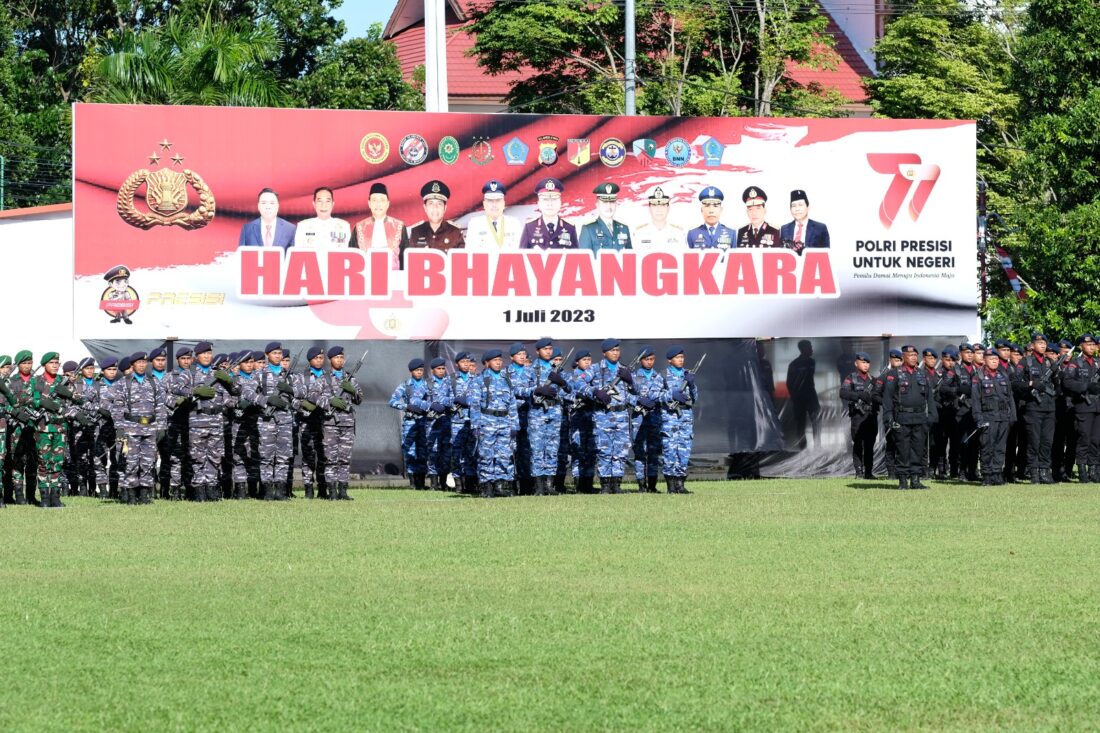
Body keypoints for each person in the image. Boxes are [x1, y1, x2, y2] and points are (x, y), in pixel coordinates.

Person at [171, 341, 233, 502]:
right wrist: (195, 390)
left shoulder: (218, 373)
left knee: (215, 456)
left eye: (209, 353)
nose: (207, 356)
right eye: (203, 354)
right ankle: (199, 490)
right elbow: (176, 388)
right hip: (197, 420)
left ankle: (212, 489)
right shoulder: (190, 373)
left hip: (216, 420)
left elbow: (237, 391)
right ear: (197, 356)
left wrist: (228, 380)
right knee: (197, 457)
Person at [106, 351, 167, 504]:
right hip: (131, 428)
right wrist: (119, 427)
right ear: (132, 365)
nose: (142, 365)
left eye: (144, 363)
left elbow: (160, 406)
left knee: (148, 462)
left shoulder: (153, 382)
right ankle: (131, 494)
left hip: (150, 428)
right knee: (131, 462)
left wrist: (161, 427)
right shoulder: (123, 383)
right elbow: (118, 407)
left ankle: (145, 494)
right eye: (138, 363)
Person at [580, 338, 635, 493]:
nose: (615, 353)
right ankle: (605, 485)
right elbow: (578, 383)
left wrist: (630, 381)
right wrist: (595, 392)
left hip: (622, 415)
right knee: (604, 450)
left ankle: (616, 485)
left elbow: (636, 391)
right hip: (603, 414)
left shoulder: (624, 370)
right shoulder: (595, 369)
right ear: (604, 353)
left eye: (617, 350)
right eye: (612, 350)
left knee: (621, 451)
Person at [29, 352, 83, 508]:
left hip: (60, 427)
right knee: (43, 462)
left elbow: (78, 400)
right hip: (43, 428)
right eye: (51, 362)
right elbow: (29, 400)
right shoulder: (37, 381)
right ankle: (45, 497)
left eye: (57, 363)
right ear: (45, 364)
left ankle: (55, 496)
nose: (55, 365)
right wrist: (43, 402)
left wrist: (68, 393)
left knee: (57, 462)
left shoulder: (63, 381)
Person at [312, 346, 364, 501]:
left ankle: (343, 491)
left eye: (342, 357)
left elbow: (360, 399)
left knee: (345, 459)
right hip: (330, 424)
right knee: (331, 459)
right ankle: (332, 491)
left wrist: (352, 391)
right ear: (330, 360)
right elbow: (313, 397)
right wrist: (330, 401)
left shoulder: (350, 378)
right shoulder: (324, 378)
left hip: (347, 424)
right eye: (336, 357)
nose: (339, 360)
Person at [882, 345, 937, 489]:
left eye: (915, 355)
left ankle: (915, 480)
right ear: (903, 357)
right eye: (910, 355)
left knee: (918, 449)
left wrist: (932, 416)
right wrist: (888, 418)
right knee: (903, 450)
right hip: (902, 417)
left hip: (920, 418)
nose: (913, 357)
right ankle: (902, 481)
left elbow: (930, 397)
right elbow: (887, 398)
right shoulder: (894, 374)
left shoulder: (922, 374)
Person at [469, 349, 519, 498]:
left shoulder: (506, 379)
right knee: (486, 455)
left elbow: (512, 403)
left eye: (500, 360)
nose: (498, 362)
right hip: (487, 421)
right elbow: (475, 405)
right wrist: (476, 425)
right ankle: (487, 486)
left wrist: (514, 425)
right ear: (487, 362)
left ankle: (501, 485)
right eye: (495, 360)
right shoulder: (480, 380)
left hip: (505, 421)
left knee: (505, 455)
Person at [251, 342, 297, 501]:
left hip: (285, 419)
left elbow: (300, 395)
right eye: (275, 353)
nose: (278, 356)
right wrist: (266, 400)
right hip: (267, 420)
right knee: (266, 456)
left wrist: (290, 390)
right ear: (267, 355)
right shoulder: (260, 374)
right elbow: (247, 392)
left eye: (280, 353)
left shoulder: (289, 374)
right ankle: (267, 490)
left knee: (284, 455)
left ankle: (281, 490)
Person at [527, 338, 572, 495]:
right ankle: (538, 487)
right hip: (537, 413)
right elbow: (519, 389)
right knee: (538, 449)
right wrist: (538, 390)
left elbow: (571, 391)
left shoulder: (558, 370)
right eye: (545, 349)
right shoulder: (531, 369)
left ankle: (549, 485)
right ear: (538, 351)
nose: (548, 352)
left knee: (552, 449)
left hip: (555, 412)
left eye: (550, 349)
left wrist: (563, 383)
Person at [1018, 332, 1058, 484]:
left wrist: (1056, 373)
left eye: (1044, 343)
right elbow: (1015, 383)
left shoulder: (1049, 362)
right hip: (1033, 407)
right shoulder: (1025, 362)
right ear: (1033, 345)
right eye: (1039, 343)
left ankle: (1045, 472)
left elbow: (1058, 386)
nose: (1042, 345)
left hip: (1049, 408)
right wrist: (1031, 384)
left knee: (1047, 442)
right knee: (1034, 442)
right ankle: (1034, 473)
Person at [971, 349, 1016, 486]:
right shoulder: (978, 376)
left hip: (1003, 417)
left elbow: (1010, 397)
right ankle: (987, 475)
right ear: (984, 360)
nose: (995, 361)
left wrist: (1012, 416)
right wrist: (978, 419)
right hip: (987, 417)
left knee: (1000, 447)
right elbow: (976, 400)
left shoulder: (1003, 375)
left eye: (996, 359)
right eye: (991, 359)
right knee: (987, 447)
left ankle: (997, 473)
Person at [1061, 334, 1100, 483]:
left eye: (1093, 345)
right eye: (1088, 345)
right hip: (1083, 405)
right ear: (1081, 347)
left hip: (1097, 405)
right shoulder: (1075, 363)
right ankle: (1082, 469)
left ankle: (1094, 469)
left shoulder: (1097, 363)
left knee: (1096, 440)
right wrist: (1085, 386)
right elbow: (1068, 382)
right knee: (1084, 438)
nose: (1091, 347)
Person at [389, 358, 431, 490]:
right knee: (410, 451)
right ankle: (413, 483)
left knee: (423, 452)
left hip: (424, 422)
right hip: (410, 422)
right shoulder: (405, 386)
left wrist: (426, 406)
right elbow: (392, 401)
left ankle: (422, 482)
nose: (419, 373)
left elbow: (434, 402)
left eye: (421, 370)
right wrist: (406, 406)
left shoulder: (428, 385)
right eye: (416, 370)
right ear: (411, 371)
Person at [661, 345, 697, 494]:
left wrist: (692, 384)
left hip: (685, 417)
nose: (680, 360)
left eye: (682, 357)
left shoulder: (687, 375)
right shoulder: (662, 375)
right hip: (670, 418)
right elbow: (655, 396)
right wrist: (671, 395)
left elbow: (695, 398)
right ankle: (670, 485)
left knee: (684, 451)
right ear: (670, 360)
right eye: (677, 358)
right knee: (670, 451)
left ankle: (680, 484)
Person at [6, 351, 39, 505]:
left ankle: (31, 495)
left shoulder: (37, 381)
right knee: (17, 461)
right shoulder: (11, 381)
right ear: (18, 364)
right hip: (17, 428)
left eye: (30, 363)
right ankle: (19, 494)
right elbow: (7, 403)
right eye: (24, 363)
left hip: (35, 428)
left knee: (33, 461)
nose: (27, 366)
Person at [351, 181, 408, 269]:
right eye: (374, 200)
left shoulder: (399, 226)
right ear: (369, 203)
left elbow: (404, 258)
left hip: (393, 277)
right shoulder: (359, 227)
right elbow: (352, 256)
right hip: (366, 277)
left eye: (382, 200)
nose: (378, 204)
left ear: (388, 203)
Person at [630, 345, 664, 492]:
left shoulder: (660, 376)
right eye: (647, 359)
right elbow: (626, 395)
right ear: (640, 360)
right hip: (639, 419)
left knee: (653, 453)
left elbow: (664, 395)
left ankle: (652, 484)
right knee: (639, 453)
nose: (650, 362)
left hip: (655, 418)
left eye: (652, 359)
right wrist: (638, 400)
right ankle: (641, 484)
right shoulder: (633, 377)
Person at [839, 352, 877, 479]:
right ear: (856, 363)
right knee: (858, 444)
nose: (866, 365)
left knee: (870, 444)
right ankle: (859, 471)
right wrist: (859, 396)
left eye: (867, 363)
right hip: (858, 417)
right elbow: (843, 393)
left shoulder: (873, 380)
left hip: (871, 416)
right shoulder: (852, 378)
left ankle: (868, 472)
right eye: (863, 362)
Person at [296, 347, 328, 498]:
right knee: (308, 456)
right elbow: (294, 398)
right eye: (316, 358)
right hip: (307, 421)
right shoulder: (302, 377)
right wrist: (304, 407)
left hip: (325, 421)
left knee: (323, 455)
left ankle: (323, 488)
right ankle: (308, 488)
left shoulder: (328, 376)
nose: (319, 361)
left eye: (321, 358)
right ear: (310, 360)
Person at [449, 352, 479, 494]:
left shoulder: (477, 379)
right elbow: (441, 399)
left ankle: (471, 483)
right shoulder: (451, 380)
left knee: (471, 453)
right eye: (463, 362)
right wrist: (455, 401)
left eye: (468, 362)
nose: (466, 364)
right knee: (457, 453)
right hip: (457, 422)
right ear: (457, 364)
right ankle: (459, 484)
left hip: (473, 421)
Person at [520, 178, 578, 249]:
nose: (550, 204)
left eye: (554, 199)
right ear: (539, 203)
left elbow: (576, 258)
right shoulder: (529, 227)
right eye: (545, 199)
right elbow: (521, 257)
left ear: (560, 202)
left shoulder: (569, 228)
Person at [568, 350, 598, 493]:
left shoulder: (594, 376)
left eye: (589, 359)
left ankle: (588, 483)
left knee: (591, 451)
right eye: (584, 359)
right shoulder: (573, 377)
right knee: (578, 451)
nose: (587, 362)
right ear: (577, 362)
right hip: (578, 418)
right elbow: (567, 394)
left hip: (592, 417)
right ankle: (579, 484)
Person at [464, 180, 522, 252]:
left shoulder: (514, 223)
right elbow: (470, 254)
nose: (494, 205)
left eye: (498, 200)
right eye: (490, 201)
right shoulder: (475, 224)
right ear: (484, 204)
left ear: (503, 203)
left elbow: (520, 252)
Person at [408, 180, 465, 251]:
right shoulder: (416, 232)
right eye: (431, 203)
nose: (435, 208)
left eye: (439, 204)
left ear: (445, 208)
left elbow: (461, 261)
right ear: (425, 208)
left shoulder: (455, 233)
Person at [424, 357, 454, 491]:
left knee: (446, 452)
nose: (442, 371)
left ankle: (443, 482)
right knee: (433, 452)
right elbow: (416, 400)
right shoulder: (427, 384)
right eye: (439, 369)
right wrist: (430, 405)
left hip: (446, 421)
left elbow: (455, 399)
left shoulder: (450, 383)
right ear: (432, 370)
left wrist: (445, 403)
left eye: (443, 368)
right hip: (432, 423)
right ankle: (434, 483)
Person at [786, 339, 821, 450]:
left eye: (811, 347)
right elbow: (789, 383)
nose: (811, 349)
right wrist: (794, 397)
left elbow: (809, 380)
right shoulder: (794, 364)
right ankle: (802, 447)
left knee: (816, 421)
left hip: (811, 396)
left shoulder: (812, 362)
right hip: (799, 398)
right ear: (803, 349)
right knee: (801, 423)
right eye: (809, 347)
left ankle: (817, 446)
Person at [579, 182, 632, 253]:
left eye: (612, 202)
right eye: (604, 202)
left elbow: (630, 259)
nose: (609, 206)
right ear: (597, 205)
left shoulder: (624, 229)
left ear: (616, 204)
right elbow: (583, 261)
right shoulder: (588, 230)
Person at [634, 186, 685, 252]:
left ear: (668, 208)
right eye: (654, 205)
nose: (659, 209)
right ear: (649, 209)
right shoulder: (639, 233)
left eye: (663, 205)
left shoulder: (679, 233)